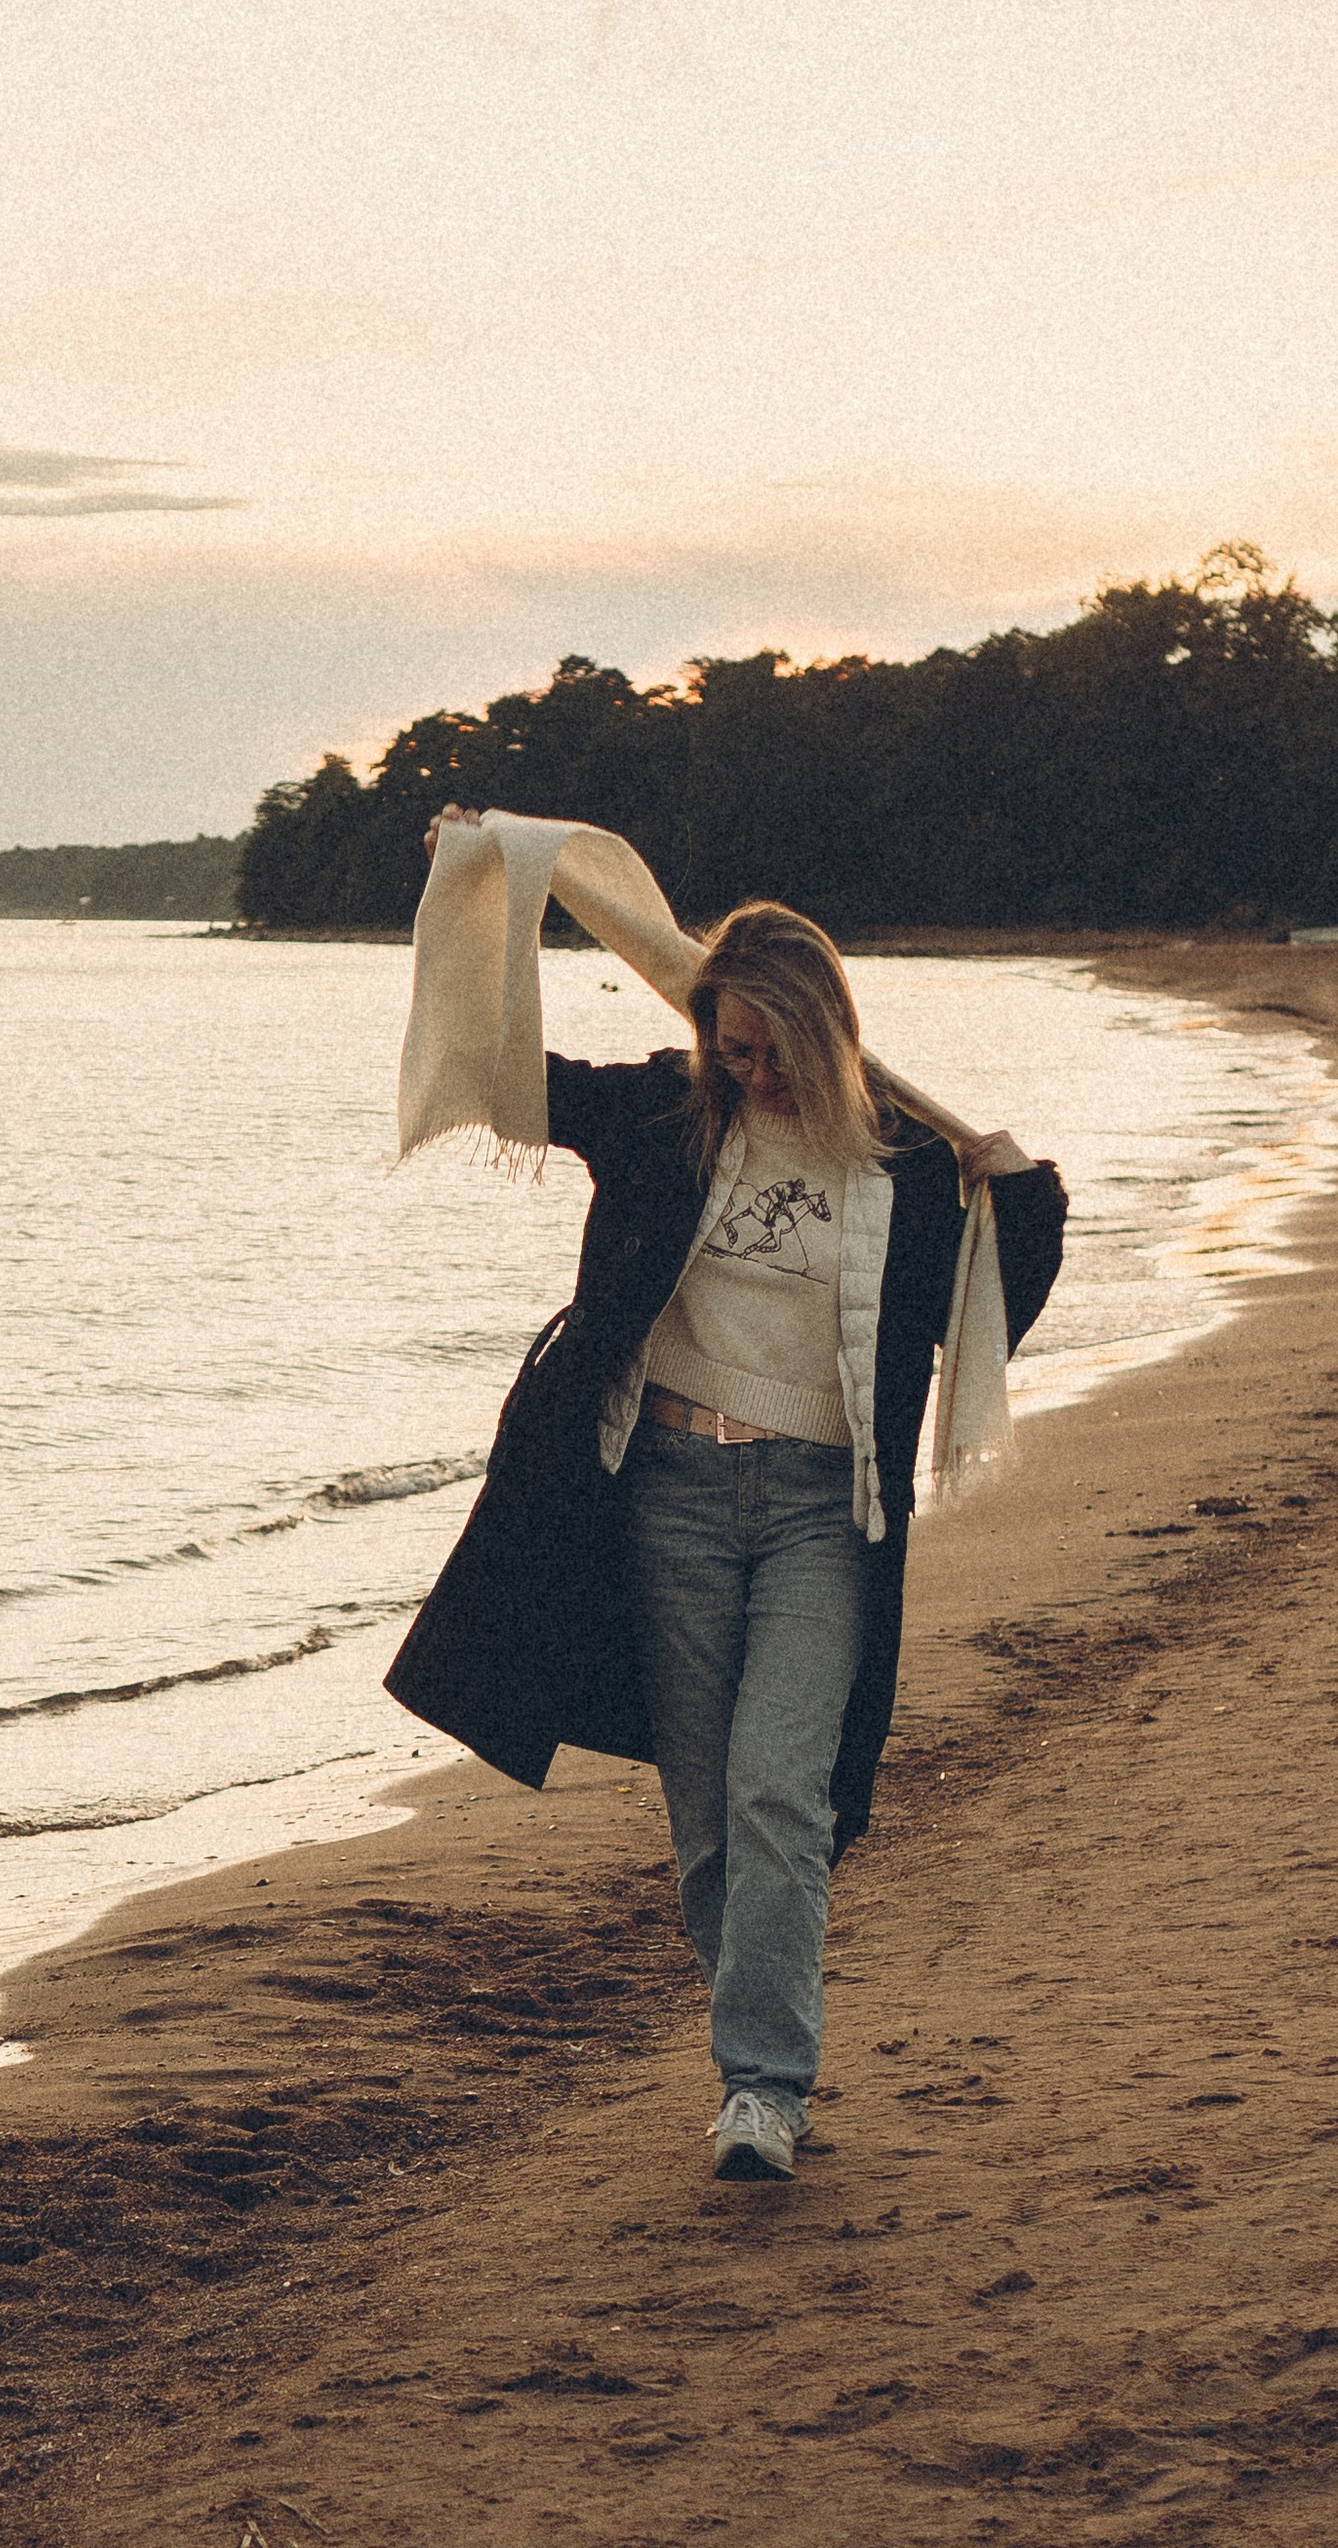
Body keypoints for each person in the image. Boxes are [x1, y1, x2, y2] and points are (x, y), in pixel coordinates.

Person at [385, 814, 1066, 2185]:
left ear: (824, 1039)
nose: (746, 1073)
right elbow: (514, 1084)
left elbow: (986, 1316)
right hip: (674, 1501)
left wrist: (1023, 1195)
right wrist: (493, 883)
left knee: (778, 1793)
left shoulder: (904, 1172)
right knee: (706, 1815)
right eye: (727, 1048)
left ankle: (763, 2087)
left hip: (825, 1507)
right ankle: (751, 2042)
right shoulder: (662, 1116)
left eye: (768, 1053)